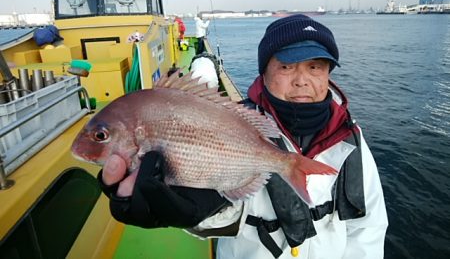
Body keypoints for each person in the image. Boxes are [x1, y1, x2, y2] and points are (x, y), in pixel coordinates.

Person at [98, 14, 388, 258]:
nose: (302, 80)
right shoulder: (238, 123)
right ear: (264, 72)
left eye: (315, 67)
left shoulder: (351, 138)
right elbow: (228, 212)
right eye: (286, 67)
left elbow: (369, 227)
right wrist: (192, 212)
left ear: (327, 74)